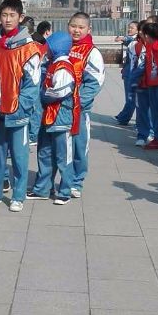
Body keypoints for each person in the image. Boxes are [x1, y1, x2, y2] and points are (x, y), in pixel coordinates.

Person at [0, 0, 41, 213]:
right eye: (4, 15)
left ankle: (18, 195)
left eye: (12, 15)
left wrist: (21, 107)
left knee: (19, 157)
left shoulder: (29, 48)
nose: (8, 19)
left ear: (21, 17)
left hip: (17, 112)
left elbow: (32, 84)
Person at [27, 32, 77, 204]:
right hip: (49, 118)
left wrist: (43, 95)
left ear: (56, 47)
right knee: (44, 154)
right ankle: (42, 189)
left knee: (63, 158)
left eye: (48, 46)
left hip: (60, 119)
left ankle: (65, 191)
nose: (45, 49)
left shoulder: (63, 66)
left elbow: (60, 91)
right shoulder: (53, 64)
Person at [65, 12, 104, 197]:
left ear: (89, 29)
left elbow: (94, 82)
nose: (76, 30)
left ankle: (76, 182)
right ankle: (58, 180)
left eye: (81, 27)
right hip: (57, 108)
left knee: (79, 146)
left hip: (79, 109)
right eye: (73, 26)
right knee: (59, 147)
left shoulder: (92, 52)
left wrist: (76, 102)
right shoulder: (62, 46)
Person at [135, 20, 158, 149]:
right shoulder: (148, 46)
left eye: (144, 33)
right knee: (154, 112)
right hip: (150, 83)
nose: (142, 35)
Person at [114, 21, 139, 126]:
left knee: (131, 97)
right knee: (130, 97)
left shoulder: (136, 40)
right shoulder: (132, 40)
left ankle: (124, 118)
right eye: (129, 27)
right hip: (128, 71)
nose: (129, 29)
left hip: (132, 73)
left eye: (132, 28)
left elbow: (130, 40)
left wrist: (123, 38)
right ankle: (123, 116)